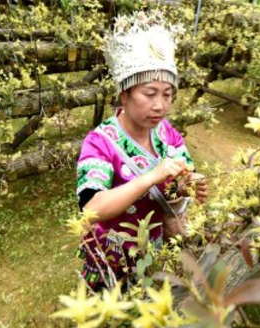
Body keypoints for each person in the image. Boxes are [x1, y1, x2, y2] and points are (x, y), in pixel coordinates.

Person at [75, 11, 207, 290]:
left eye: (167, 95)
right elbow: (92, 207)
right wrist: (150, 177)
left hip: (154, 246)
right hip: (113, 254)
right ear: (124, 93)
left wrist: (188, 185)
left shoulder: (166, 133)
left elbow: (179, 180)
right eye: (149, 94)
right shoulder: (99, 142)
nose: (160, 105)